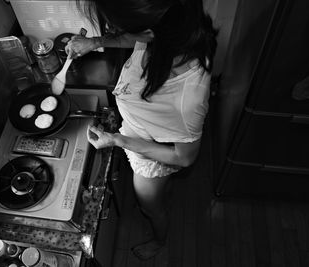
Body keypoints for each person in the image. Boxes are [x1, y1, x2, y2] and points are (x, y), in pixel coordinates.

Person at [66, 0, 218, 261]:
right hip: (139, 136)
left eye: (121, 26)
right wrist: (94, 42)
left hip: (150, 160)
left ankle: (160, 240)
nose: (116, 30)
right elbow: (140, 38)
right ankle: (163, 189)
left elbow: (184, 157)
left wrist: (116, 139)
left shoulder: (187, 97)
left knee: (150, 207)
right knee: (157, 193)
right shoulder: (173, 34)